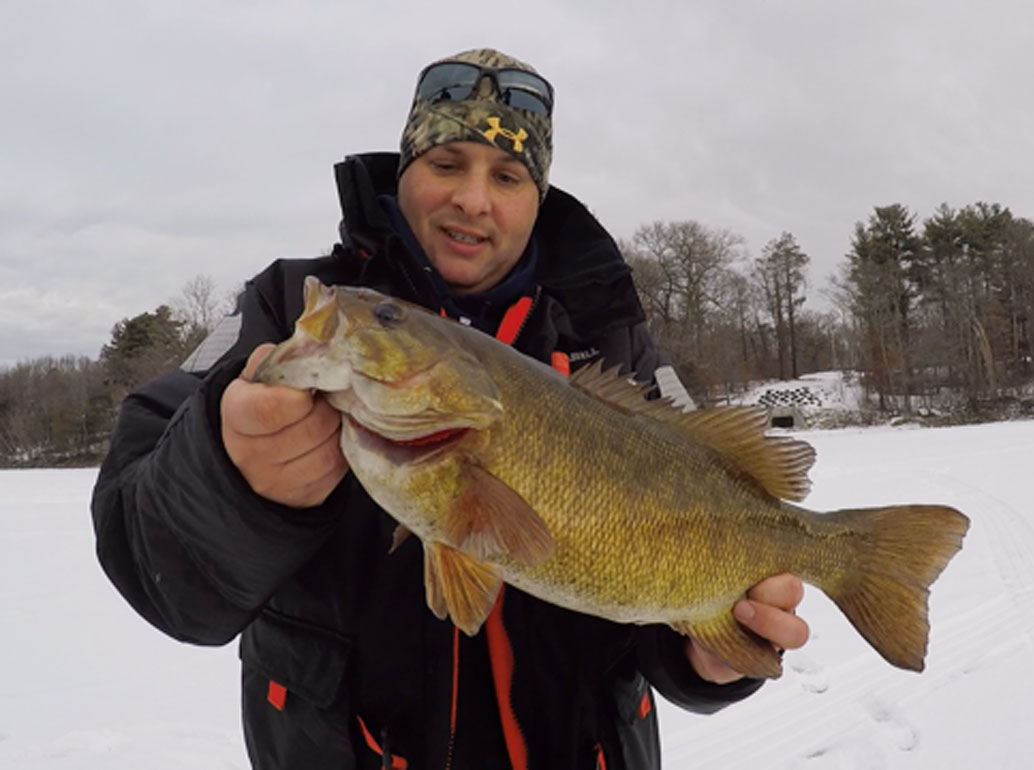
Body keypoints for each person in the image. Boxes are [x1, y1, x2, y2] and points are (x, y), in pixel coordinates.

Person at [92, 48, 809, 770]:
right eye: (445, 164)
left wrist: (711, 655)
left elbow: (668, 597)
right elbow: (148, 552)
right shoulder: (288, 308)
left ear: (539, 198)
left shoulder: (613, 339)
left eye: (507, 177)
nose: (473, 198)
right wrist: (229, 476)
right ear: (404, 173)